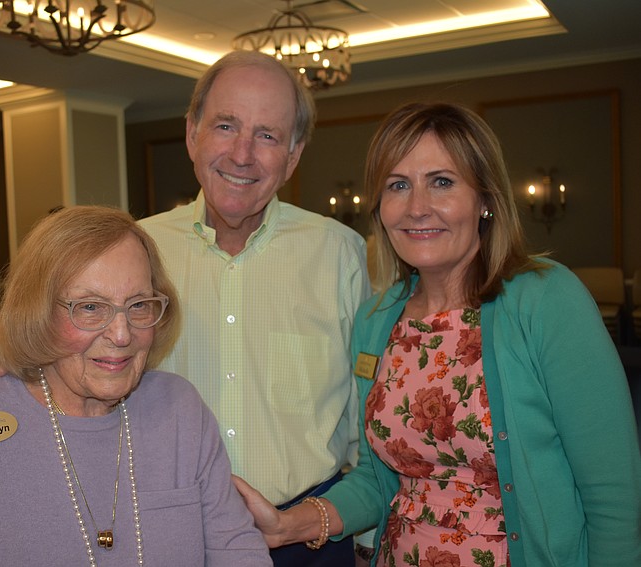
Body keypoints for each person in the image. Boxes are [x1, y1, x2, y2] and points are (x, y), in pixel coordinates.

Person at [233, 102, 641, 566]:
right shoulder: (376, 320)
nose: (417, 207)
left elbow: (614, 496)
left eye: (442, 182)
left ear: (485, 199)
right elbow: (378, 477)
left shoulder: (544, 300)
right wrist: (292, 523)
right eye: (398, 185)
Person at [0, 205, 272, 566]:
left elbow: (238, 552)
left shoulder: (180, 411)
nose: (121, 334)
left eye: (138, 305)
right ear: (37, 312)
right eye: (89, 307)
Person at [138, 50, 371, 566]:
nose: (243, 154)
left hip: (308, 538)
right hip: (165, 533)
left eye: (267, 135)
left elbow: (367, 414)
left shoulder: (340, 255)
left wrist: (363, 537)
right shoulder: (135, 250)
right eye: (226, 125)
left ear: (293, 155)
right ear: (191, 134)